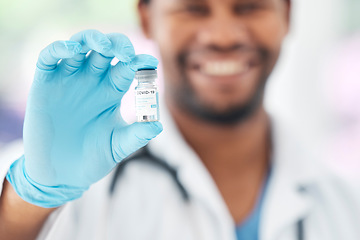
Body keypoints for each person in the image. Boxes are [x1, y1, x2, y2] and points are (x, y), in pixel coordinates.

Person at [0, 0, 359, 239]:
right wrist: (32, 197)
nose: (223, 36)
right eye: (193, 8)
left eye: (249, 6)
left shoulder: (346, 205)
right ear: (146, 17)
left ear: (287, 15)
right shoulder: (65, 179)